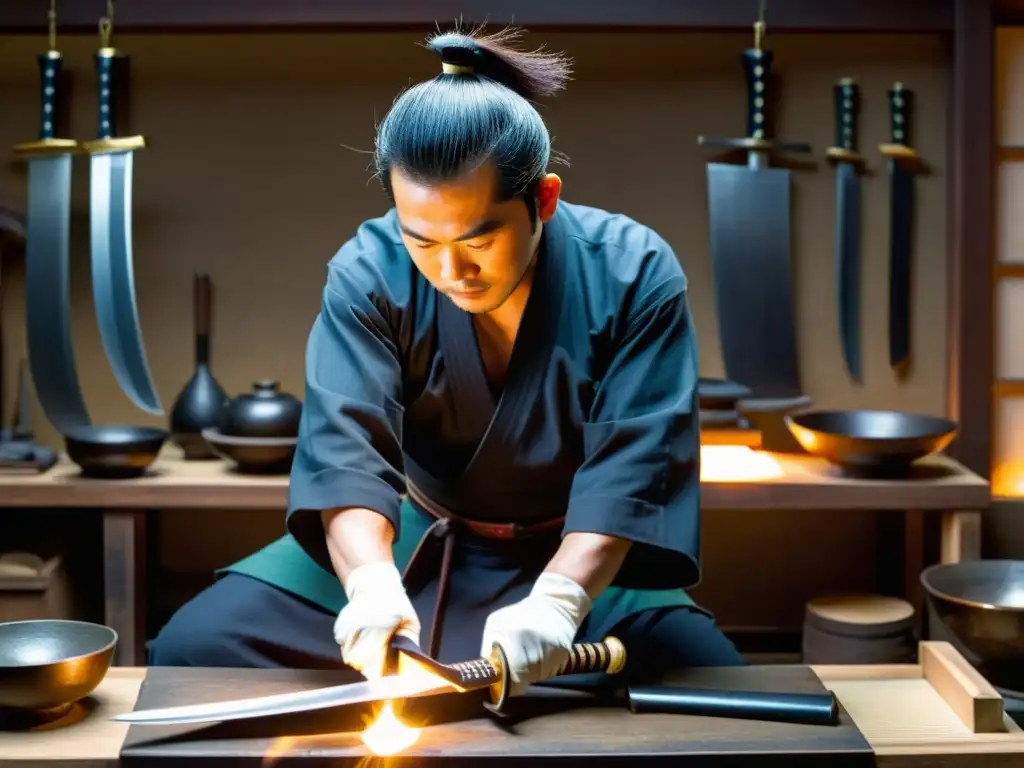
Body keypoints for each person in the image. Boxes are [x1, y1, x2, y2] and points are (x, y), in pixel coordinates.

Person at [149, 25, 743, 694]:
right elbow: (345, 452)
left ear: (542, 200)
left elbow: (632, 472)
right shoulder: (368, 272)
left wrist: (559, 606)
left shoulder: (635, 274)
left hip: (576, 558)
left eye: (478, 240)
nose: (452, 271)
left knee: (711, 680)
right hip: (414, 543)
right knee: (193, 646)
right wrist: (370, 583)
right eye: (422, 241)